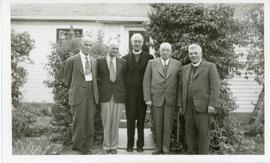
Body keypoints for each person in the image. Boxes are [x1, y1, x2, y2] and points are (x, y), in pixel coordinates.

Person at [178, 43, 220, 154]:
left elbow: (215, 87)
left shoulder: (210, 66)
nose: (193, 55)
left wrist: (212, 104)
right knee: (189, 134)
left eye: (196, 53)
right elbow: (181, 88)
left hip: (203, 107)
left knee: (203, 135)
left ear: (201, 54)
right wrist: (180, 105)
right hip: (187, 107)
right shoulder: (185, 69)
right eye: (191, 53)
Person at [143, 42, 181, 154]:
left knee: (168, 125)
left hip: (170, 99)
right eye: (163, 50)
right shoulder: (152, 63)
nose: (165, 52)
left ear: (171, 52)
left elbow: (180, 85)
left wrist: (178, 101)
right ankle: (158, 147)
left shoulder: (177, 64)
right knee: (157, 124)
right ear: (159, 51)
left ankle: (166, 147)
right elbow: (146, 80)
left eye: (167, 50)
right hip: (156, 98)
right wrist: (147, 98)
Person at [64, 36, 99, 154]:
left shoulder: (94, 61)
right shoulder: (72, 60)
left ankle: (87, 147)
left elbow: (95, 79)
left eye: (90, 45)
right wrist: (76, 89)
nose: (88, 47)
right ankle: (77, 147)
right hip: (78, 94)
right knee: (78, 122)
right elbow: (67, 81)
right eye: (86, 44)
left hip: (91, 93)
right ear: (81, 45)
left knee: (90, 122)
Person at [122, 33, 154, 152]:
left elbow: (151, 77)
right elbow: (123, 77)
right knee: (130, 121)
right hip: (129, 96)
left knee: (141, 120)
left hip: (142, 95)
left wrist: (149, 95)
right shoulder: (124, 58)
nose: (137, 43)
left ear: (142, 43)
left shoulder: (149, 57)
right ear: (131, 43)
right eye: (135, 41)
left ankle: (140, 145)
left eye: (139, 41)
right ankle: (129, 145)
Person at [97, 40, 127, 154]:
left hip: (119, 95)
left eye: (116, 48)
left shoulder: (123, 62)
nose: (115, 50)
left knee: (115, 122)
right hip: (105, 95)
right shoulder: (99, 61)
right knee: (106, 121)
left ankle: (114, 146)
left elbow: (125, 79)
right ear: (107, 48)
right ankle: (106, 146)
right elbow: (97, 78)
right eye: (112, 48)